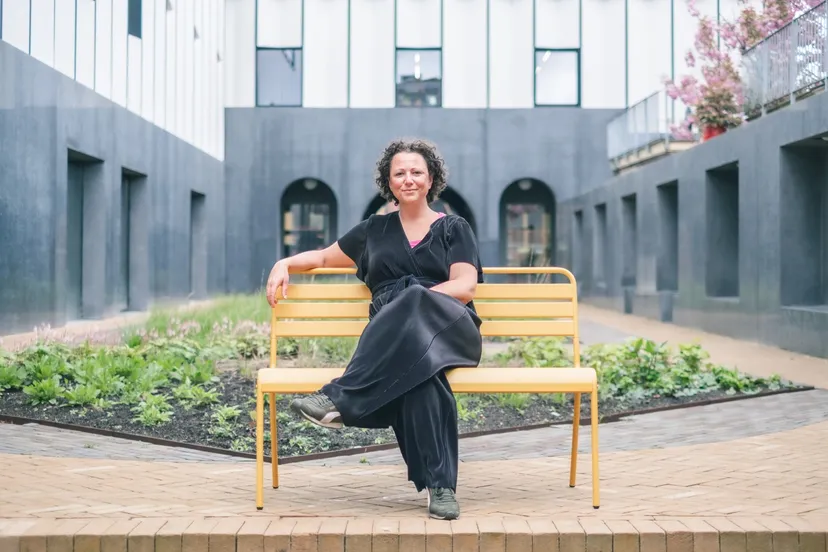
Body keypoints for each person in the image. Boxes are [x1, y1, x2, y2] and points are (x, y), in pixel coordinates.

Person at [265, 138, 484, 520]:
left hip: (448, 326)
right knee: (422, 377)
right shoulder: (374, 230)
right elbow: (322, 257)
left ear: (431, 179)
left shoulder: (454, 227)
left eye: (416, 172)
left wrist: (415, 299)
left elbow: (465, 286)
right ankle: (441, 487)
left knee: (413, 300)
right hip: (399, 342)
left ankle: (340, 399)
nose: (408, 179)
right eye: (399, 173)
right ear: (389, 181)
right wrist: (283, 263)